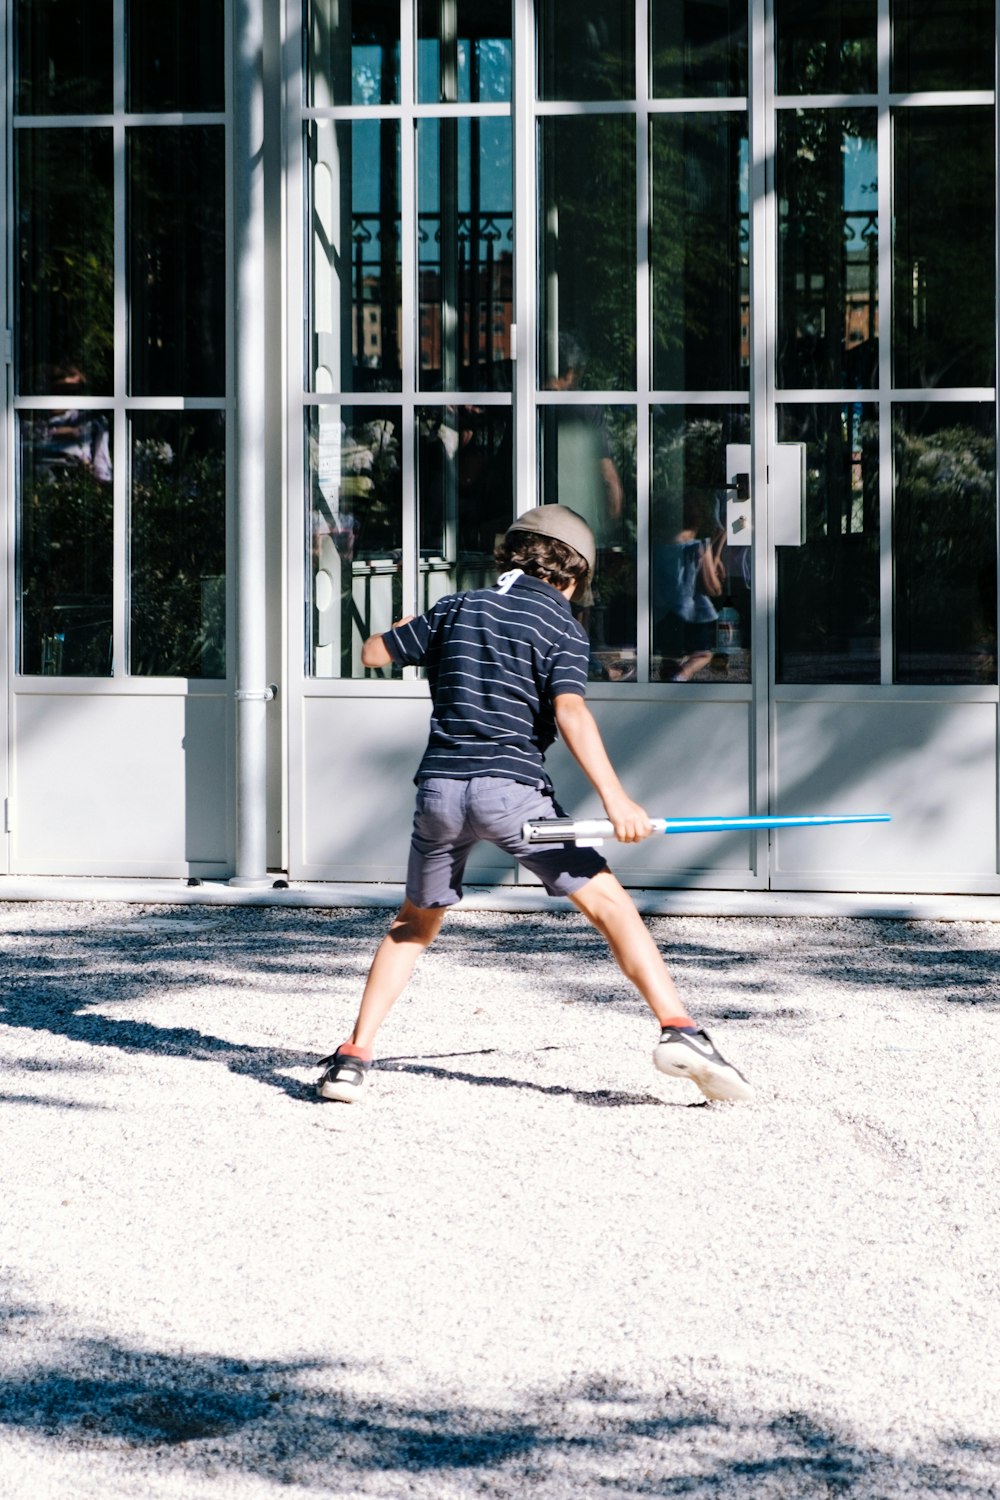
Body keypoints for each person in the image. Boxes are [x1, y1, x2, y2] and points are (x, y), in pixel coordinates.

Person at [315, 504, 753, 1106]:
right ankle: (680, 1029)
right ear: (573, 575)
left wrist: (416, 626)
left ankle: (353, 1059)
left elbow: (371, 653)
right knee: (612, 909)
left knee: (412, 925)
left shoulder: (456, 606)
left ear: (512, 553)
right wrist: (617, 800)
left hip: (440, 792)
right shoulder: (562, 625)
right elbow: (570, 711)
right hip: (512, 795)